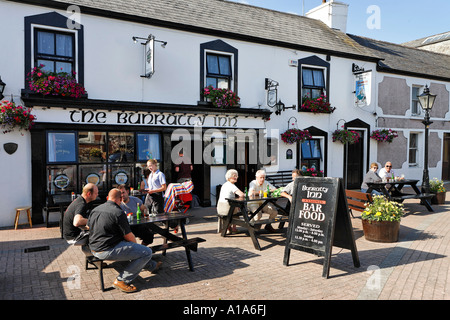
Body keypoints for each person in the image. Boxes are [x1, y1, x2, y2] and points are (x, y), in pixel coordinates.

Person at [87, 188, 162, 293]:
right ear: (120, 199)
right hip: (106, 250)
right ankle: (121, 280)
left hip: (93, 248)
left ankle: (152, 266)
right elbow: (129, 237)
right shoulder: (118, 212)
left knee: (132, 248)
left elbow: (89, 227)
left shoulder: (96, 209)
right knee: (146, 252)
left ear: (108, 197)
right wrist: (137, 248)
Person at [216, 169, 245, 234]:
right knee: (237, 209)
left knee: (235, 207)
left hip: (220, 207)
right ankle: (234, 228)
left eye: (236, 176)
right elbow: (241, 194)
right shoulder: (231, 185)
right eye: (234, 176)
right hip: (226, 208)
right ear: (229, 177)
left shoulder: (225, 184)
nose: (236, 177)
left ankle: (229, 228)